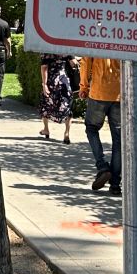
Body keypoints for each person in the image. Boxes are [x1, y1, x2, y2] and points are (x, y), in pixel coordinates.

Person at [79, 55, 121, 195]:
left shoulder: (96, 34)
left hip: (99, 91)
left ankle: (102, 167)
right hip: (119, 93)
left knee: (91, 129)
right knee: (118, 140)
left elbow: (86, 61)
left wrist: (84, 86)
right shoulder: (124, 34)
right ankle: (115, 184)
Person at [38, 54, 74, 140]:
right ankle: (67, 133)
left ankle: (46, 129)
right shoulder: (66, 49)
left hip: (52, 80)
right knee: (68, 106)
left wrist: (44, 84)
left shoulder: (47, 50)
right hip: (64, 81)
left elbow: (44, 67)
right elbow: (73, 63)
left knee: (46, 103)